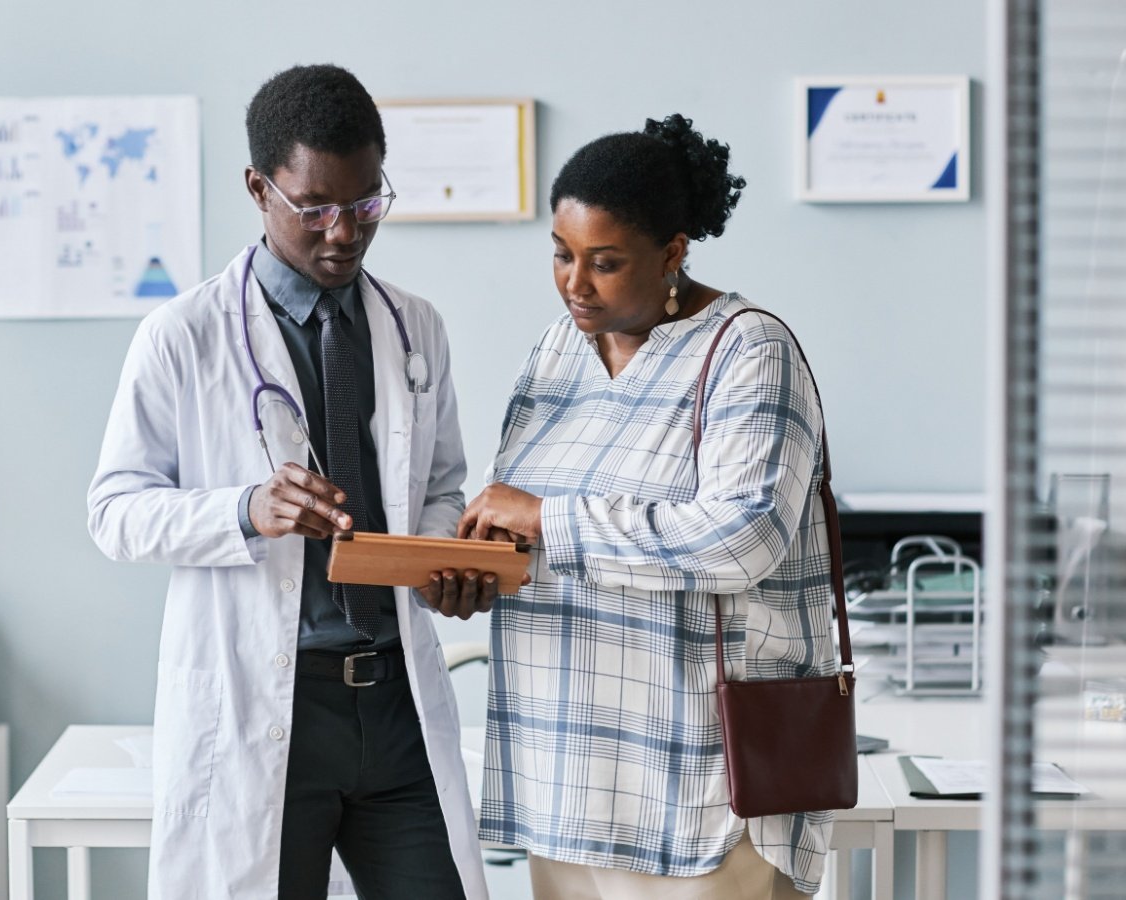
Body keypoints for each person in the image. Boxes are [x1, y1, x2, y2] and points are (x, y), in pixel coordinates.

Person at [87, 64, 491, 900]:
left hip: (396, 705)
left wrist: (444, 554)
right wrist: (245, 508)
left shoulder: (416, 326)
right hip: (270, 704)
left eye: (366, 204)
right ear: (257, 189)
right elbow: (115, 512)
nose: (343, 233)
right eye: (315, 210)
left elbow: (444, 485)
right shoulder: (183, 337)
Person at [454, 114, 836, 898]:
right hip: (563, 772)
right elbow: (530, 529)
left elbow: (742, 538)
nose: (574, 283)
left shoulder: (748, 351)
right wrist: (476, 565)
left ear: (672, 252)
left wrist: (544, 518)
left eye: (605, 262)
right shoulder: (555, 350)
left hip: (698, 786)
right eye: (561, 256)